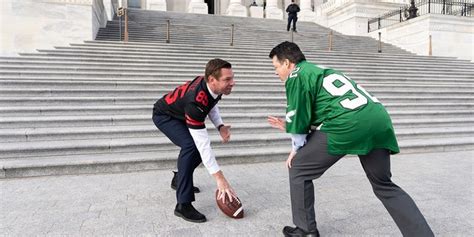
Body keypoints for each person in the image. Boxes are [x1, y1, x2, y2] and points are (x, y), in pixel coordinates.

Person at [267, 41, 434, 237]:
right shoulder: (322, 70)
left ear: (287, 63)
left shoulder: (296, 75)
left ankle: (305, 230)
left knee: (298, 168)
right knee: (383, 184)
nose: (276, 72)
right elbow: (327, 109)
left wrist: (296, 148)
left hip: (348, 124)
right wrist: (296, 126)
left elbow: (299, 116)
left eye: (276, 66)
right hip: (378, 118)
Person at [152, 58, 237, 223]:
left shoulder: (211, 85)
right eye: (228, 79)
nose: (233, 83)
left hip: (180, 113)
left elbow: (211, 104)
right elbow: (203, 144)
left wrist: (220, 126)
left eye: (232, 77)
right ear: (212, 80)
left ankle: (179, 178)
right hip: (164, 116)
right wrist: (220, 178)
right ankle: (183, 205)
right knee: (192, 146)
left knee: (194, 149)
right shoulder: (195, 102)